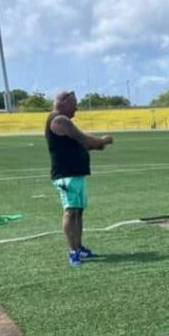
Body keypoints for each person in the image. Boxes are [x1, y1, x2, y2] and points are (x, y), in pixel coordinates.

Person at [45, 90, 113, 267]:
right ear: (64, 103)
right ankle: (73, 251)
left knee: (78, 211)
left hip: (76, 173)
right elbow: (84, 139)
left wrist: (95, 145)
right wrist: (102, 141)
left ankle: (79, 247)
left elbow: (80, 144)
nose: (77, 109)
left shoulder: (62, 121)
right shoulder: (60, 120)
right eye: (75, 105)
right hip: (66, 175)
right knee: (71, 211)